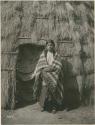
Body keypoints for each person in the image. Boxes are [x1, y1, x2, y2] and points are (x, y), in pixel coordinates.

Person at [32, 39, 64, 113]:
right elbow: (40, 64)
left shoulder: (57, 55)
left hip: (54, 75)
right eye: (48, 45)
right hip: (45, 75)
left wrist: (51, 68)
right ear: (46, 46)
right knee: (44, 90)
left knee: (53, 91)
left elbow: (58, 65)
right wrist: (44, 70)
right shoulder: (43, 55)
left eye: (51, 45)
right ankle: (42, 106)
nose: (50, 46)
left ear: (53, 46)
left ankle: (54, 107)